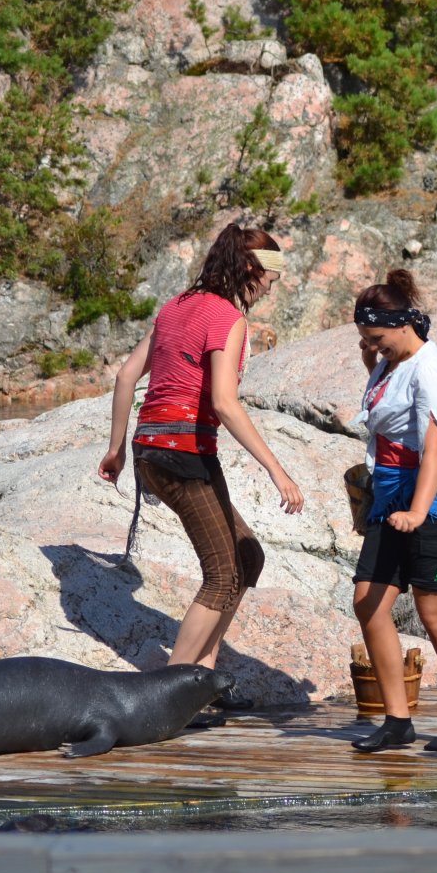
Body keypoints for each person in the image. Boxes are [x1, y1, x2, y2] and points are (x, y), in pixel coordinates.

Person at [98, 222, 304, 709]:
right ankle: (169, 696)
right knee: (222, 574)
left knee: (246, 556)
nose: (269, 289)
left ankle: (203, 684)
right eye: (270, 280)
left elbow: (126, 376)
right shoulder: (228, 318)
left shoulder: (176, 306)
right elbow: (225, 403)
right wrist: (277, 471)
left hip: (152, 451)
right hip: (183, 455)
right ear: (251, 269)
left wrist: (117, 448)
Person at [348, 269, 437, 752]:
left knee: (433, 612)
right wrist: (373, 361)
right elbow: (390, 412)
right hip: (392, 495)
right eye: (366, 340)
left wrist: (419, 512)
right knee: (368, 602)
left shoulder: (428, 369)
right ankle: (397, 720)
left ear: (402, 325)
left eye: (376, 339)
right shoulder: (392, 360)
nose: (372, 347)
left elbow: (433, 449)